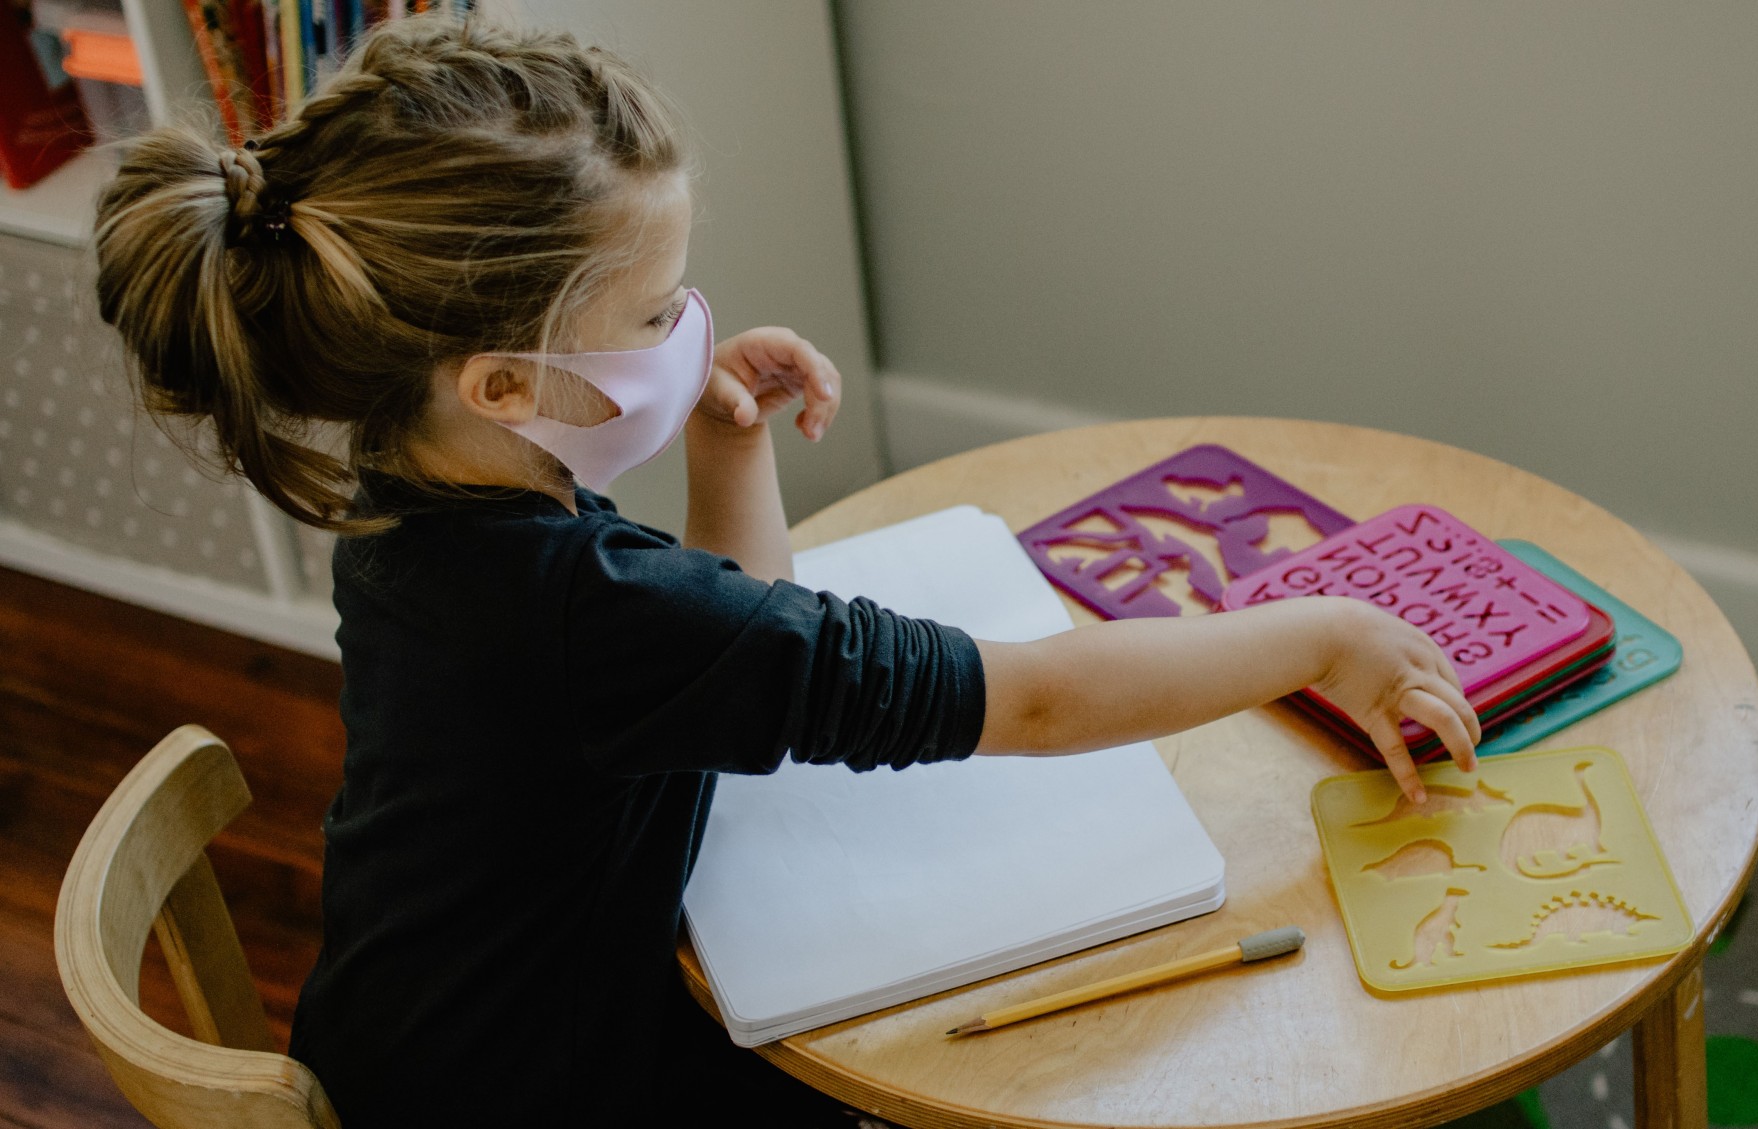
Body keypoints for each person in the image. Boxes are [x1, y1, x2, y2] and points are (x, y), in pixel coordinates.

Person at [90, 14, 1479, 1128]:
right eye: (651, 316)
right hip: (550, 1086)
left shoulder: (409, 507)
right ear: (506, 380)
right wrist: (1315, 634)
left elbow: (725, 649)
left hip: (422, 1039)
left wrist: (715, 432)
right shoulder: (585, 605)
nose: (688, 327)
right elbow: (1039, 704)